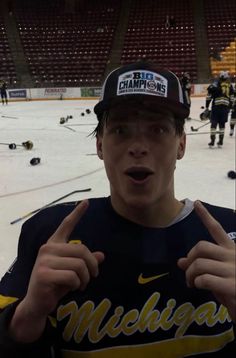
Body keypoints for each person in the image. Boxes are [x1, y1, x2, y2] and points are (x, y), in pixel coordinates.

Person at [0, 61, 235, 358]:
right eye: (121, 130)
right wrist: (27, 316)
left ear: (181, 145)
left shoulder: (230, 241)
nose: (138, 146)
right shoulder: (49, 235)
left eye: (158, 129)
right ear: (100, 145)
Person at [205, 70, 234, 147]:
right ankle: (220, 142)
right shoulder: (230, 85)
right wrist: (230, 107)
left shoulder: (215, 84)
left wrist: (207, 106)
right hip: (225, 108)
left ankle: (212, 141)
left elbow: (208, 97)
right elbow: (232, 98)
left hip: (216, 107)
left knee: (213, 124)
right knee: (222, 125)